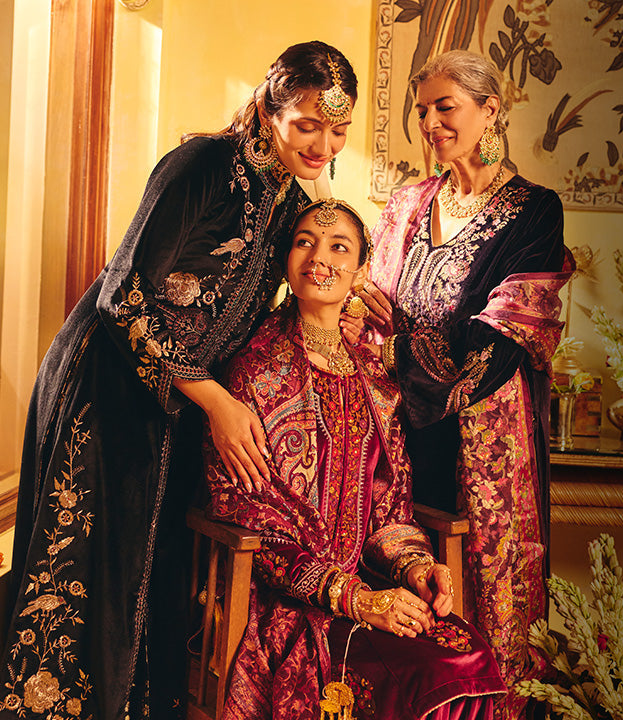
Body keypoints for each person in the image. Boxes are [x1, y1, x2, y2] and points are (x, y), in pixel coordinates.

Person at [2, 42, 357, 719]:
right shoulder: (203, 165)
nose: (323, 145)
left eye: (337, 130)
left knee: (150, 583)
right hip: (104, 388)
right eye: (308, 124)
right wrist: (216, 400)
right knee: (86, 573)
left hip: (178, 410)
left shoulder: (289, 201)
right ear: (270, 108)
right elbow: (122, 298)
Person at [204, 198, 506, 719]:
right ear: (286, 260)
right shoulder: (254, 371)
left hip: (373, 585)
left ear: (362, 271)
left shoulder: (376, 379)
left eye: (339, 247)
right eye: (304, 242)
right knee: (430, 674)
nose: (319, 257)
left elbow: (390, 510)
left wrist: (417, 569)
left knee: (470, 658)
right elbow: (250, 516)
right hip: (288, 599)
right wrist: (354, 599)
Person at [351, 50, 572, 719]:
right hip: (395, 438)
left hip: (484, 443)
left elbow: (500, 340)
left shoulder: (534, 211)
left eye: (445, 107)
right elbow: (363, 314)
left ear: (490, 110)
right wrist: (378, 329)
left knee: (492, 602)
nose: (430, 123)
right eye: (422, 110)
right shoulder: (407, 204)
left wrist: (401, 346)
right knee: (401, 586)